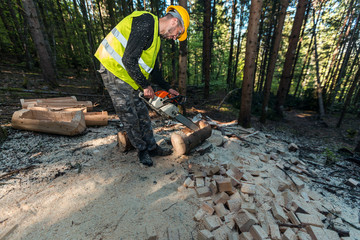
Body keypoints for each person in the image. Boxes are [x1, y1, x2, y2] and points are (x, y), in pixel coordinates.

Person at [95, 6, 190, 167]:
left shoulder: (155, 38)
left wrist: (167, 87)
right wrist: (145, 86)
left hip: (129, 74)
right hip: (114, 68)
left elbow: (153, 69)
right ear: (174, 21)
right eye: (178, 33)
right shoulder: (145, 22)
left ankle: (152, 147)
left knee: (142, 111)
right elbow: (128, 59)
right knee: (129, 113)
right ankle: (142, 150)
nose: (175, 37)